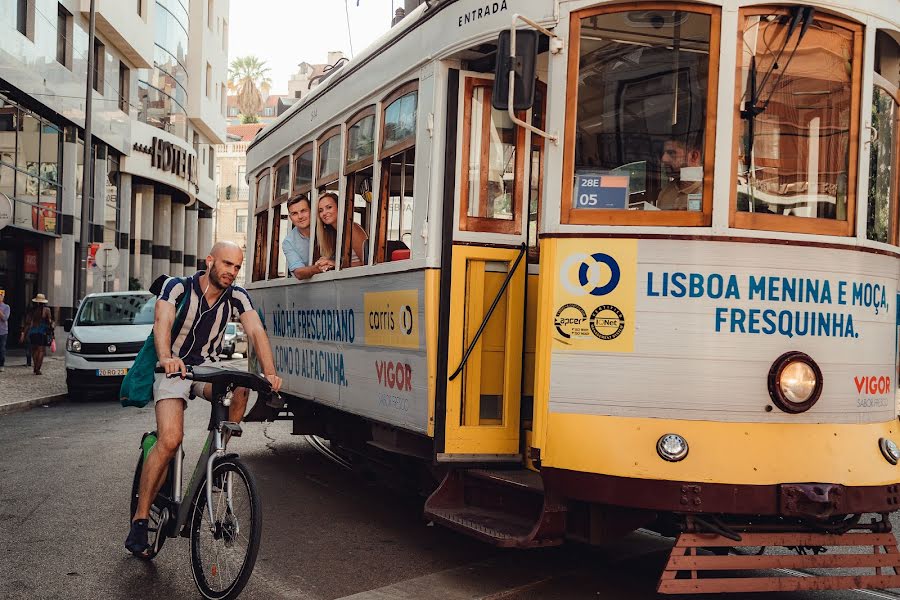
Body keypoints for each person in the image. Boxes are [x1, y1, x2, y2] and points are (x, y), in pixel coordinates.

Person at [125, 241, 283, 556]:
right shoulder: (177, 288)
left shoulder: (237, 296)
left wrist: (270, 373)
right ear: (209, 261)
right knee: (170, 440)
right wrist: (168, 357)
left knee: (243, 385)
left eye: (237, 267)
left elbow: (256, 332)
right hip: (173, 369)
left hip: (206, 372)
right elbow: (162, 322)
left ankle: (219, 457)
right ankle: (140, 521)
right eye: (227, 264)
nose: (232, 272)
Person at [316, 191, 368, 268]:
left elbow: (367, 263)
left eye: (329, 207)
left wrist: (335, 264)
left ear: (339, 208)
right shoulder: (331, 233)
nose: (324, 213)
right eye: (321, 210)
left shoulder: (351, 227)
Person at [282, 196, 329, 280]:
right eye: (294, 213)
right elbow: (299, 272)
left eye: (303, 211)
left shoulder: (326, 226)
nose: (300, 216)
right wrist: (319, 268)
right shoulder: (288, 242)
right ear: (290, 218)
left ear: (311, 211)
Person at [657, 138, 703, 211]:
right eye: (663, 153)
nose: (664, 159)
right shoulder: (665, 192)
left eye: (671, 153)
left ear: (694, 156)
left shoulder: (709, 194)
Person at [19, 293, 53, 375]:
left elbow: (27, 323)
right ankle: (38, 368)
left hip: (33, 332)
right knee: (41, 350)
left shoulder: (32, 310)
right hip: (42, 332)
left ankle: (35, 367)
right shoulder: (47, 310)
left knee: (34, 350)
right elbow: (49, 322)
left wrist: (23, 333)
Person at [0, 289, 8, 373]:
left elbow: (5, 318)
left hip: (3, 331)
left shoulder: (6, 307)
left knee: (1, 348)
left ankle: (1, 364)